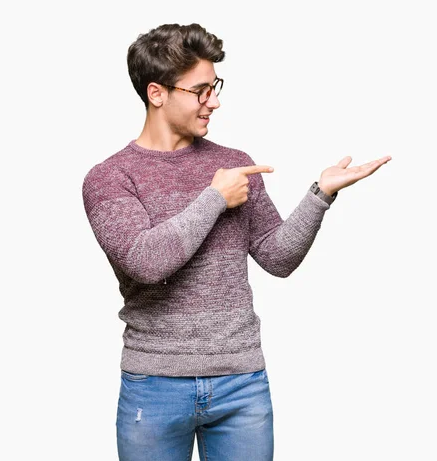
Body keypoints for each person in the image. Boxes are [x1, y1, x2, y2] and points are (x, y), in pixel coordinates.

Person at [81, 22, 391, 461]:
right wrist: (214, 198)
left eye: (216, 86)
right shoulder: (110, 178)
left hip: (241, 383)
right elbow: (147, 262)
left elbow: (278, 257)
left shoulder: (233, 164)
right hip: (155, 386)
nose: (215, 101)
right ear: (157, 93)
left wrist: (321, 194)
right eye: (201, 90)